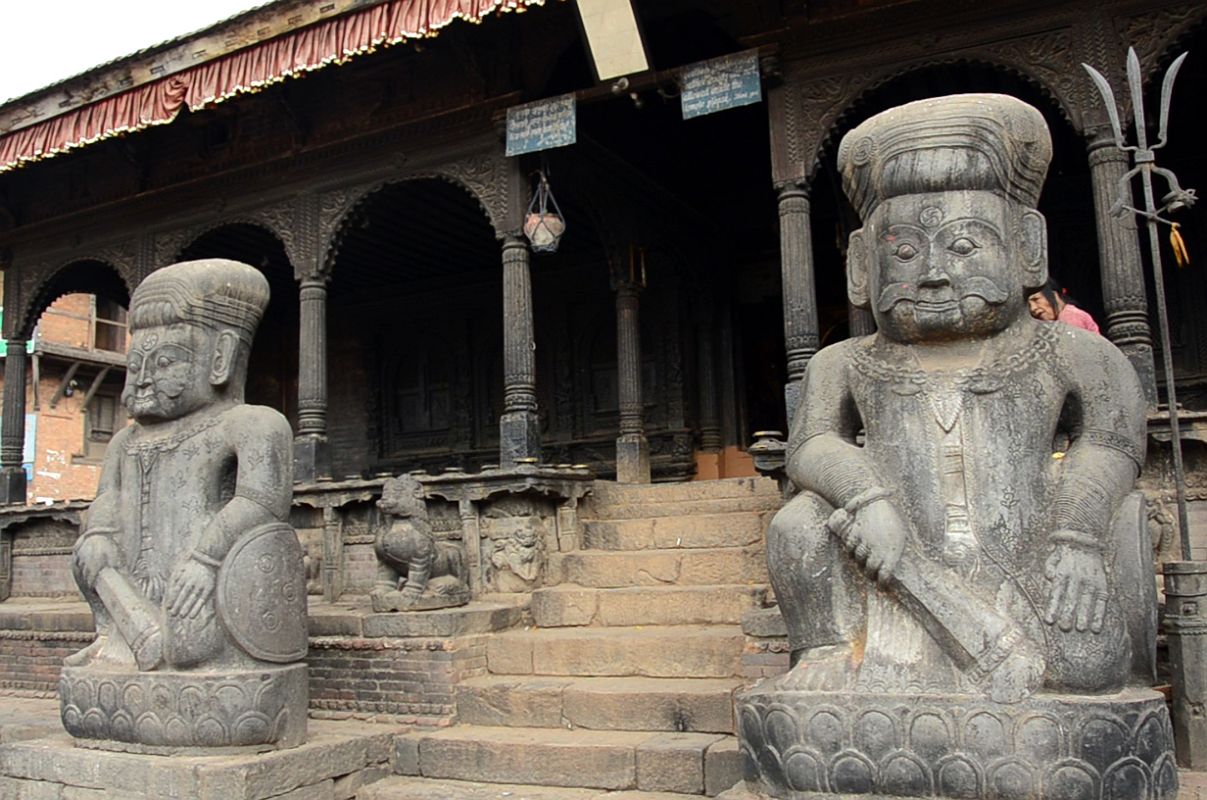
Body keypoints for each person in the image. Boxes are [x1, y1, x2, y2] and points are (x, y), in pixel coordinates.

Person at [765, 93, 1150, 702]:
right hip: (887, 562)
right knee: (797, 522)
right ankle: (827, 648)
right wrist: (868, 499)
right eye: (907, 252)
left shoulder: (1071, 352)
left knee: (1086, 670)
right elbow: (810, 444)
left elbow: (1111, 439)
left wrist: (1077, 536)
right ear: (863, 264)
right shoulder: (843, 363)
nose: (935, 273)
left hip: (1030, 549)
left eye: (965, 246)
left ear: (1026, 246)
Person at [1028, 278, 1100, 333]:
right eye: (1028, 305)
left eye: (1036, 299)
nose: (1032, 308)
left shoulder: (1069, 316)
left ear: (1054, 295)